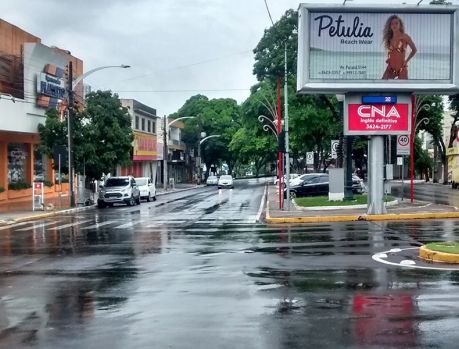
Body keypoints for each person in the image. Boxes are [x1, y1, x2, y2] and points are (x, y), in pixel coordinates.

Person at [382, 15, 417, 80]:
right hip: (390, 68)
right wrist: (389, 58)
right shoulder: (389, 38)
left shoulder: (405, 37)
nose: (394, 25)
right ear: (390, 26)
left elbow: (414, 50)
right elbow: (391, 52)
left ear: (400, 25)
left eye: (396, 23)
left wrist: (406, 61)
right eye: (392, 24)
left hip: (401, 68)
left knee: (405, 90)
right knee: (381, 86)